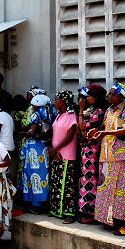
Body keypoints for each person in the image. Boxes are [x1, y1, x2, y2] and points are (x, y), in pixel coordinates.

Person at [91, 82, 125, 236]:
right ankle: (112, 220)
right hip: (106, 156)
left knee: (120, 191)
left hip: (120, 157)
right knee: (106, 189)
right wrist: (97, 131)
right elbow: (106, 128)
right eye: (109, 93)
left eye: (113, 94)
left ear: (120, 96)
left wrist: (106, 133)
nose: (109, 96)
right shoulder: (109, 110)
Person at [76, 84, 107, 225]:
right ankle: (86, 210)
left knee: (90, 179)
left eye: (89, 96)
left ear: (96, 98)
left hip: (93, 149)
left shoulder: (98, 112)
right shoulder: (93, 110)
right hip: (87, 147)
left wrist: (81, 109)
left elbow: (82, 127)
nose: (86, 99)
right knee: (85, 178)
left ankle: (92, 212)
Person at [20, 94, 54, 214]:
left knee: (34, 177)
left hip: (35, 148)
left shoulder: (36, 114)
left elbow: (32, 131)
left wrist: (24, 133)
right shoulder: (52, 113)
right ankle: (46, 204)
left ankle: (36, 206)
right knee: (45, 176)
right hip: (46, 147)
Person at [49, 91, 79, 223]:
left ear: (64, 101)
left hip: (66, 155)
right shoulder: (58, 116)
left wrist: (55, 149)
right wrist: (54, 150)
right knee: (56, 183)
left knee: (67, 185)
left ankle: (69, 213)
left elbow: (69, 137)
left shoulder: (71, 116)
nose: (55, 101)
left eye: (57, 99)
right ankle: (56, 210)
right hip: (56, 154)